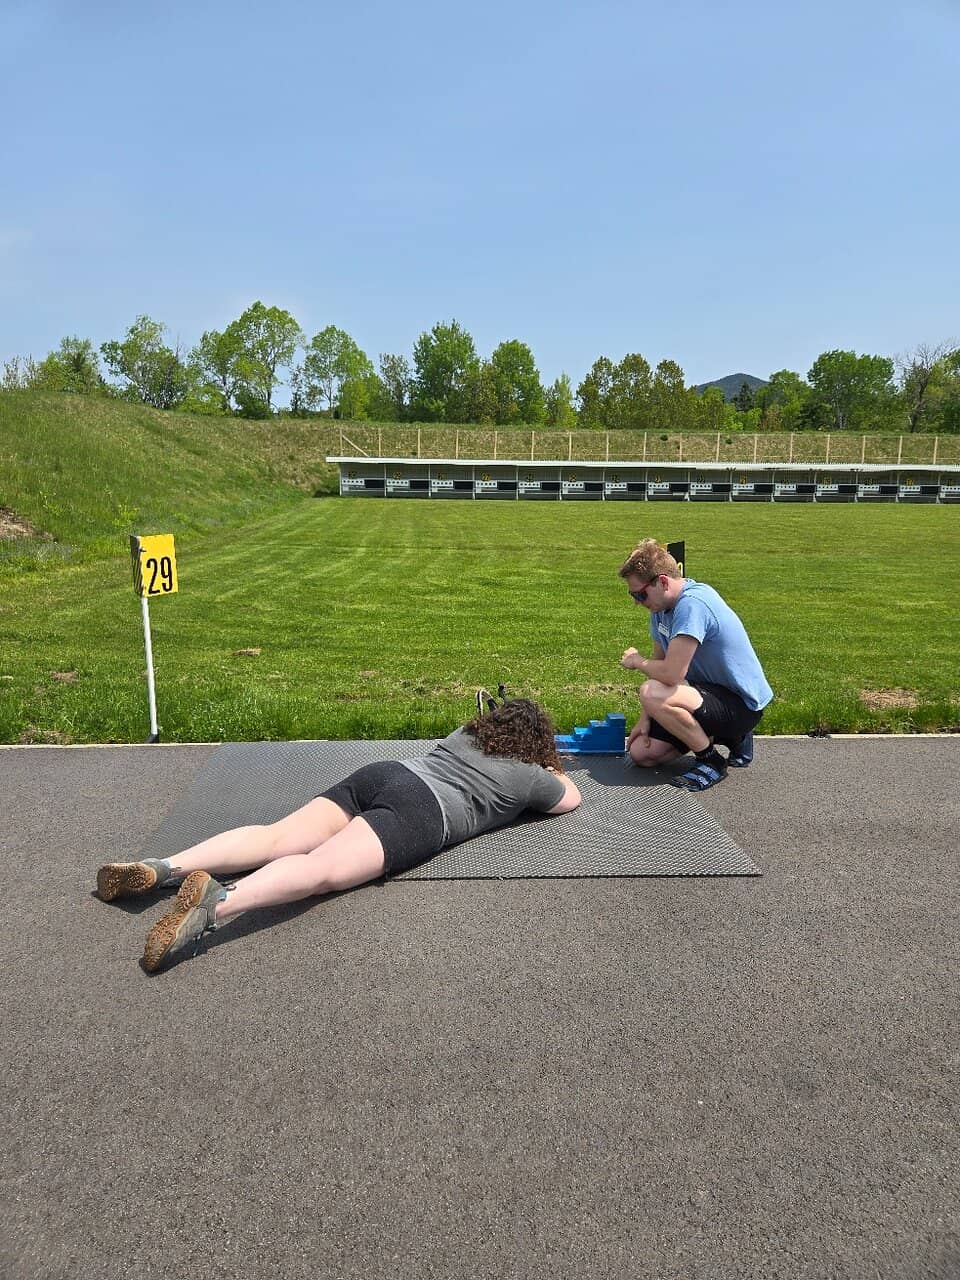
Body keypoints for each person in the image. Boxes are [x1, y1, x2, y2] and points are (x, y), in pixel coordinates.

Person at [96, 699, 581, 972]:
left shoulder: (465, 734)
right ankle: (217, 903)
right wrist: (549, 765)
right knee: (320, 869)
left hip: (386, 773)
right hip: (424, 811)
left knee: (276, 836)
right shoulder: (529, 777)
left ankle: (163, 866)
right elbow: (569, 797)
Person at [617, 539, 772, 792]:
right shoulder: (660, 610)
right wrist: (645, 718)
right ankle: (725, 736)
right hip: (703, 694)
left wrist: (637, 662)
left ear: (663, 582)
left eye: (640, 594)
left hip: (741, 704)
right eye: (632, 595)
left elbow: (671, 673)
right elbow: (660, 665)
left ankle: (711, 760)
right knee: (641, 754)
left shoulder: (693, 605)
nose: (637, 601)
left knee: (650, 692)